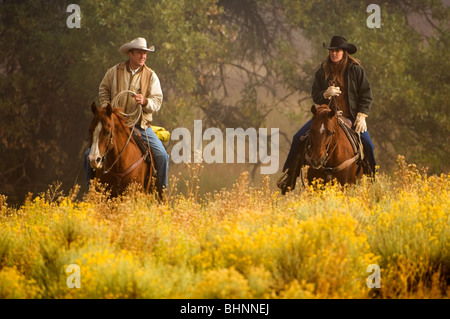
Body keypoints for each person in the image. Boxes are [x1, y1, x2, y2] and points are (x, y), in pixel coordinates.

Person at [278, 36, 376, 192]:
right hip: (326, 117)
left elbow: (366, 94)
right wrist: (324, 94)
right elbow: (315, 94)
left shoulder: (355, 70)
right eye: (332, 51)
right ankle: (290, 177)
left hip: (350, 117)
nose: (334, 54)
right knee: (298, 138)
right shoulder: (322, 71)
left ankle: (373, 180)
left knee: (369, 145)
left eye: (337, 51)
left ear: (344, 52)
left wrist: (362, 115)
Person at [84, 37, 169, 192]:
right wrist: (107, 108)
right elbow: (103, 90)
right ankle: (91, 190)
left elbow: (157, 101)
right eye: (140, 53)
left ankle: (162, 193)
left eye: (145, 53)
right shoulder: (113, 72)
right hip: (115, 124)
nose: (143, 56)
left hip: (140, 125)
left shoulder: (151, 76)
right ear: (131, 54)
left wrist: (144, 102)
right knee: (88, 155)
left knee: (162, 156)